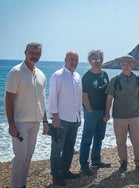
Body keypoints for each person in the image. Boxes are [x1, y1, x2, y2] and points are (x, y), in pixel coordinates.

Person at [5, 42, 48, 188]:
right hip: (20, 123)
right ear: (25, 52)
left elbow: (42, 100)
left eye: (37, 53)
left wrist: (45, 121)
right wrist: (11, 124)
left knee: (28, 157)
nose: (34, 55)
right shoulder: (16, 71)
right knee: (20, 157)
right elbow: (8, 99)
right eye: (32, 52)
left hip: (35, 122)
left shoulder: (41, 75)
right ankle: (16, 185)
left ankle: (22, 184)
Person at [104, 55, 139, 173]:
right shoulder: (115, 79)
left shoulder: (138, 80)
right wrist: (107, 112)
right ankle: (123, 162)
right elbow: (109, 97)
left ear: (132, 65)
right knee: (120, 141)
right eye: (123, 64)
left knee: (138, 140)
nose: (126, 65)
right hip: (119, 117)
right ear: (121, 65)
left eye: (128, 63)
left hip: (135, 116)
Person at [48, 51, 82, 186]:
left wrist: (80, 116)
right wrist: (54, 116)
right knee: (57, 149)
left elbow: (78, 99)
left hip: (74, 119)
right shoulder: (58, 75)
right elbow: (52, 97)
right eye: (71, 59)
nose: (73, 62)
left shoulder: (78, 76)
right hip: (61, 119)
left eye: (76, 59)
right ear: (65, 60)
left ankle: (65, 171)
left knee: (69, 147)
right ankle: (56, 175)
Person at [79, 50, 111, 176]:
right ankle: (84, 165)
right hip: (91, 113)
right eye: (93, 59)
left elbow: (108, 94)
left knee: (99, 137)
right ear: (89, 61)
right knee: (87, 139)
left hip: (103, 111)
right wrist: (90, 111)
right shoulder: (87, 76)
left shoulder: (104, 74)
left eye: (98, 59)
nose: (96, 62)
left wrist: (107, 111)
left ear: (102, 60)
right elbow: (84, 96)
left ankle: (96, 161)